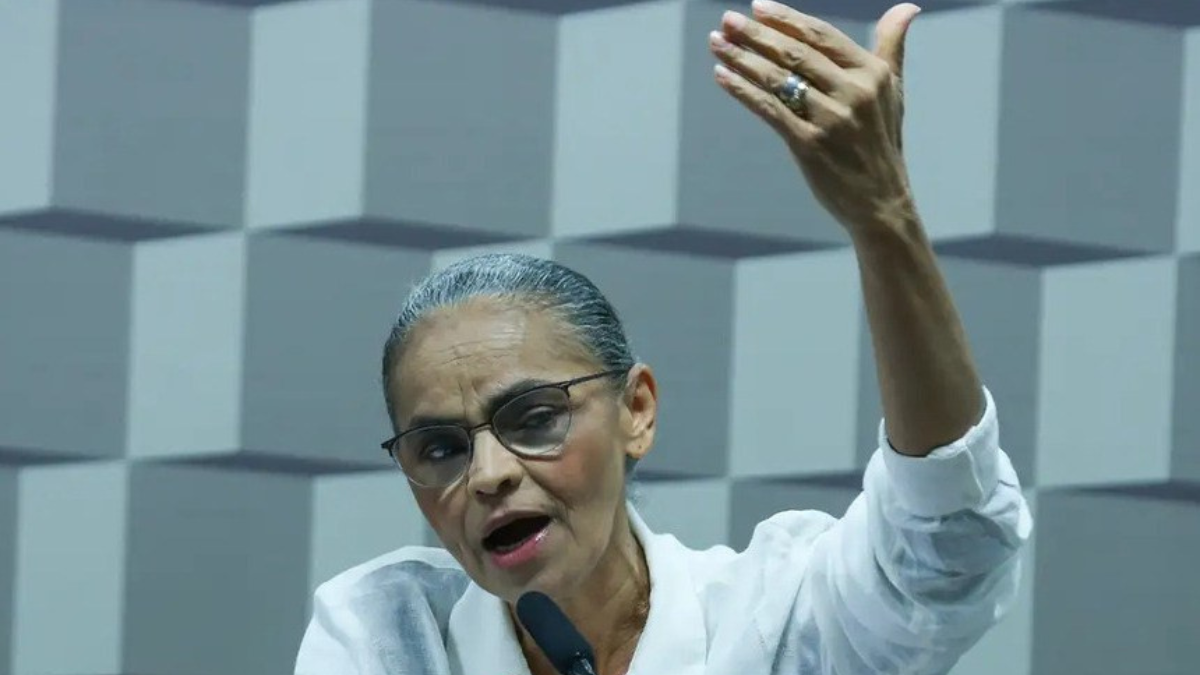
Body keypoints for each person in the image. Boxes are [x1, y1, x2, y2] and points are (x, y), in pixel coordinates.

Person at [294, 1, 1032, 674]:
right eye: (440, 449)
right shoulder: (386, 635)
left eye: (534, 417)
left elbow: (948, 546)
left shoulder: (778, 618)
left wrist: (884, 217)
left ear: (637, 410)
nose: (487, 475)